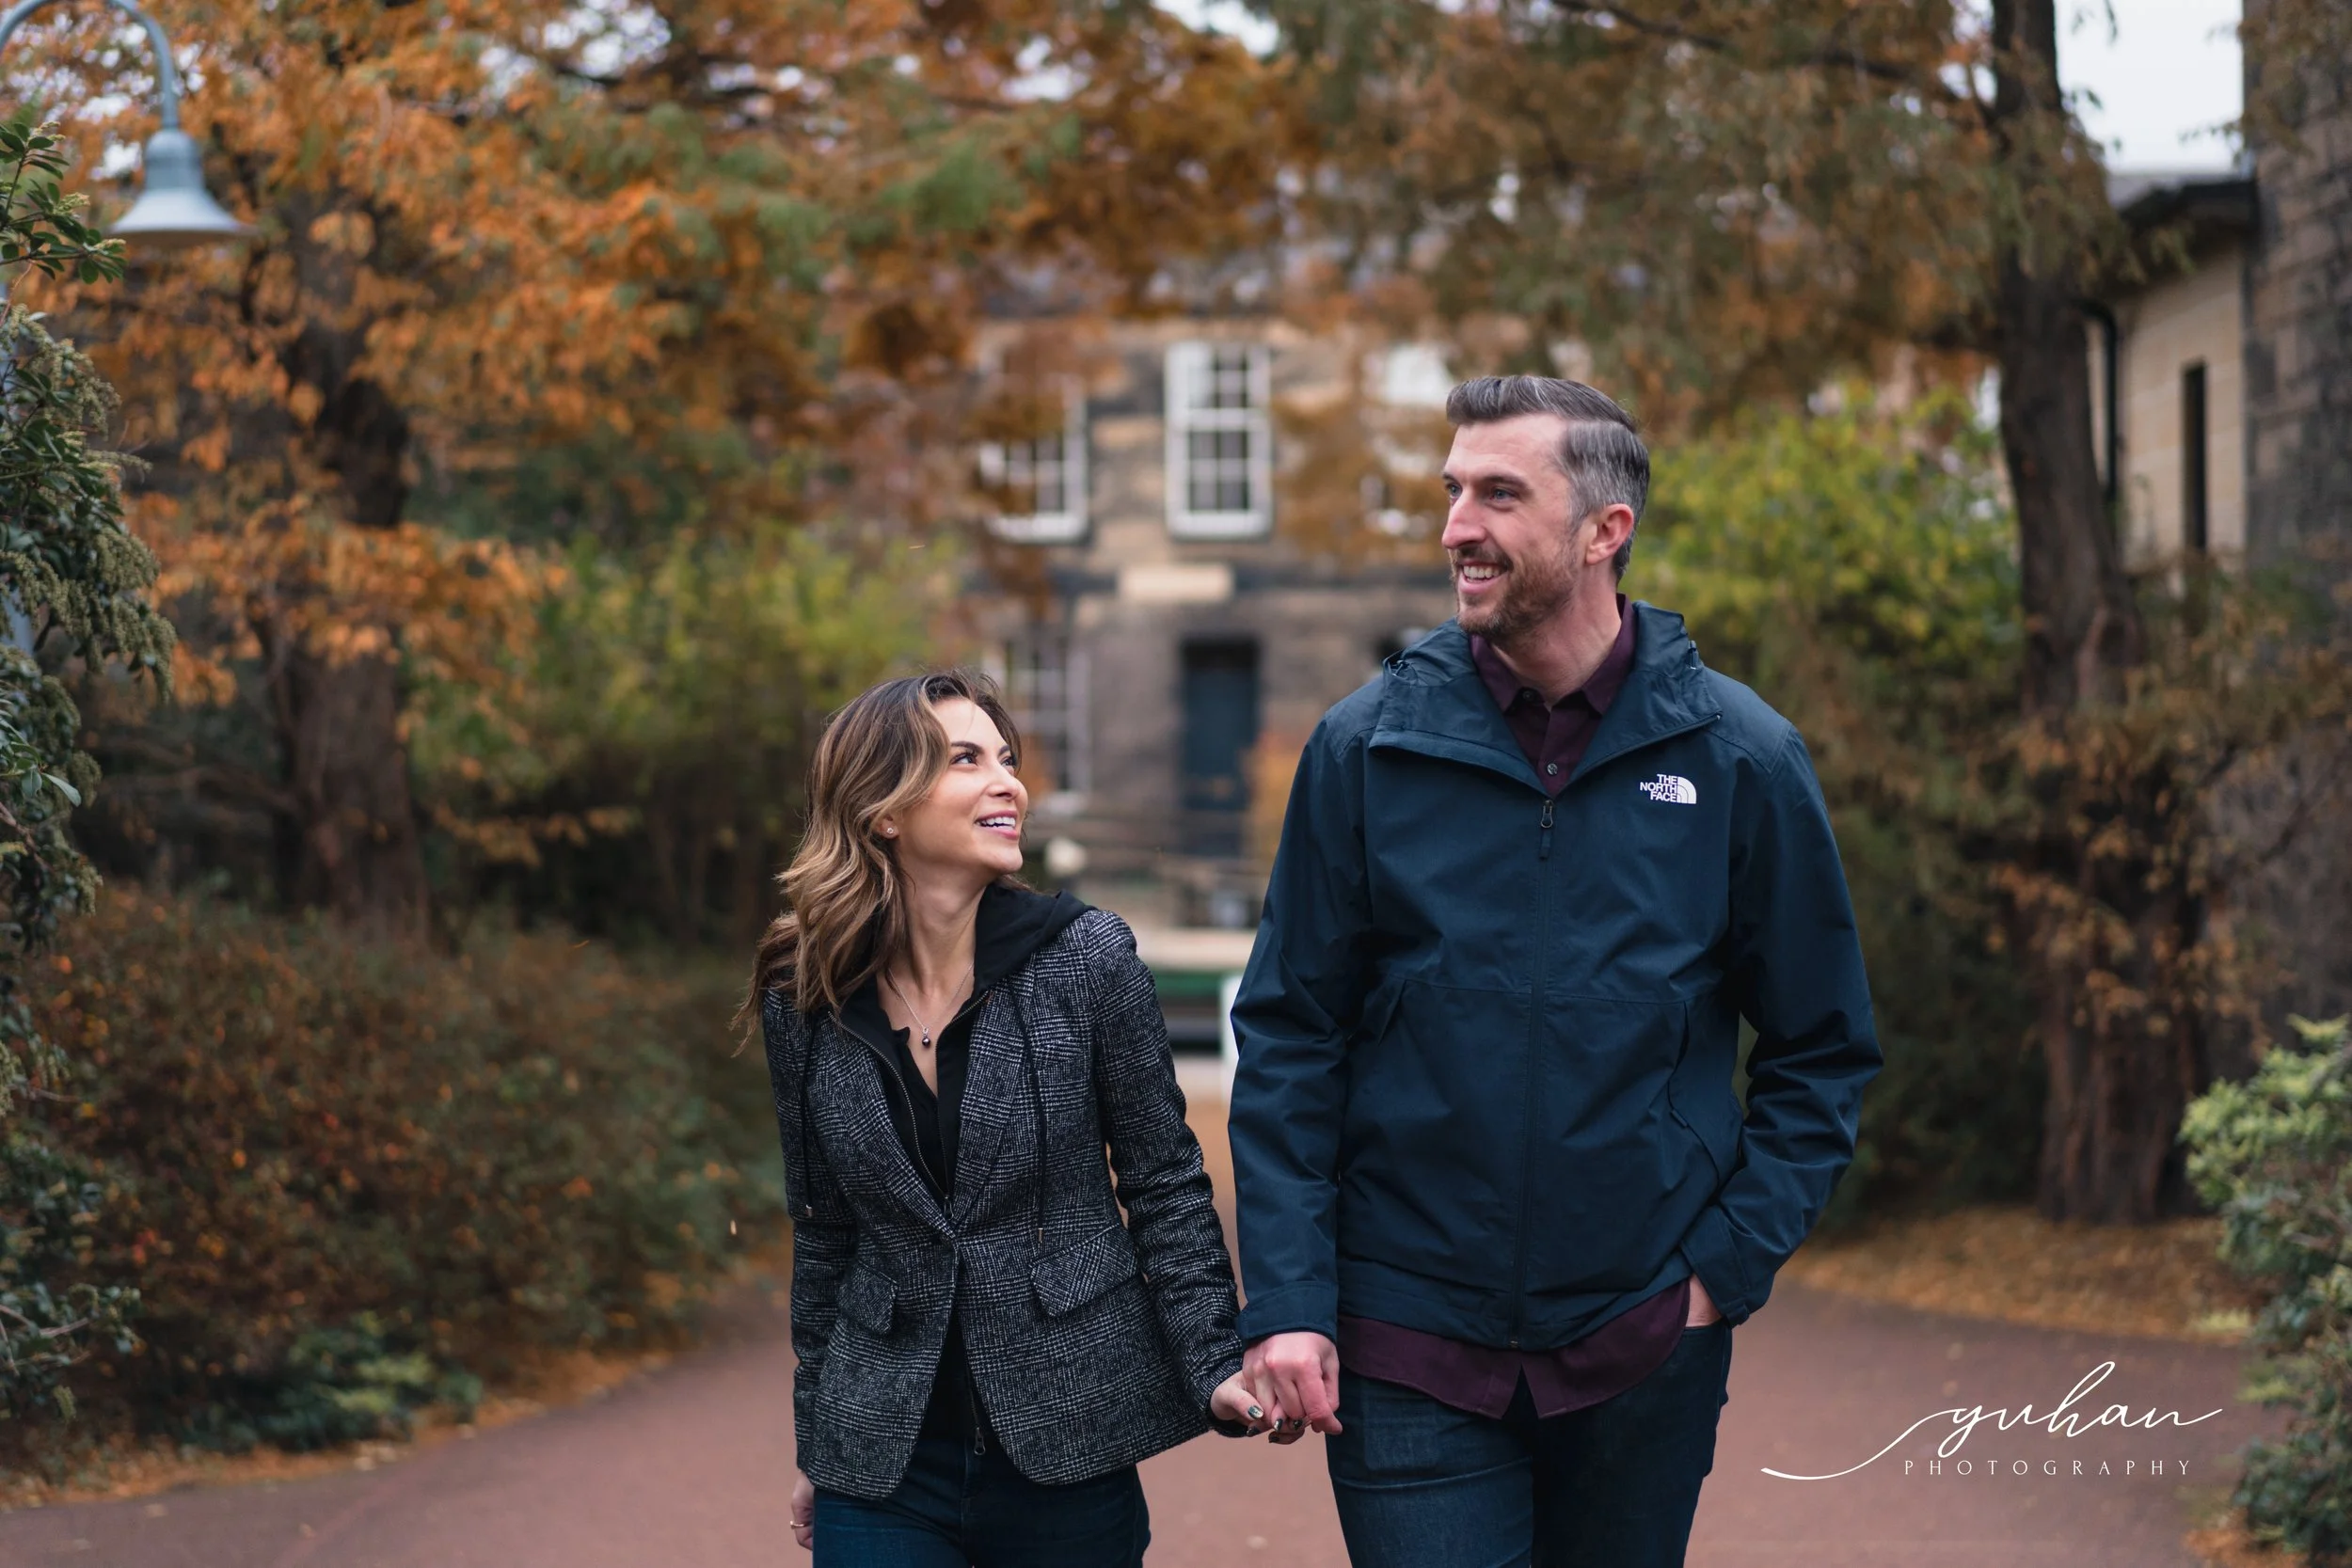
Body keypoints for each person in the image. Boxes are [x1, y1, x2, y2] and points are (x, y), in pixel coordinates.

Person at [1229, 376, 1882, 1567]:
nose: (1454, 527)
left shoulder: (1738, 756)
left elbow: (1820, 1043)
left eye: (1496, 494)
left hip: (1639, 1337)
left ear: (1603, 531)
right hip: (1405, 1333)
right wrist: (1284, 1299)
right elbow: (1288, 1037)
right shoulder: (1366, 746)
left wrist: (1719, 1270)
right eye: (1450, 491)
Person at [755, 671, 1267, 1567]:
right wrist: (819, 1437)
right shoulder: (804, 994)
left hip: (1068, 1440)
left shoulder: (1088, 959)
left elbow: (1161, 1182)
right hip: (883, 1452)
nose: (1009, 782)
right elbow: (825, 1228)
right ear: (882, 809)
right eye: (965, 759)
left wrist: (1213, 1361)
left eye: (1007, 758)